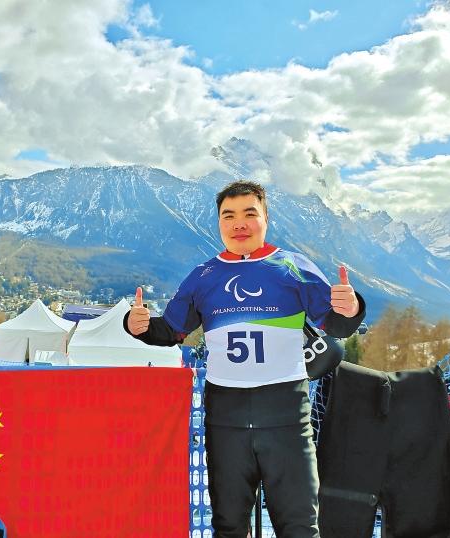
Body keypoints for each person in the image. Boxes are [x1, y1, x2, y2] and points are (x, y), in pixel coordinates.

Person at [124, 180, 365, 537]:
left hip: (286, 416)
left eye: (249, 214)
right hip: (226, 419)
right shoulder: (203, 276)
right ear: (219, 223)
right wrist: (137, 326)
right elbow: (171, 330)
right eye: (228, 216)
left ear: (266, 218)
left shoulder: (292, 266)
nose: (239, 223)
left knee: (299, 527)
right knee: (229, 526)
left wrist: (352, 307)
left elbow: (336, 324)